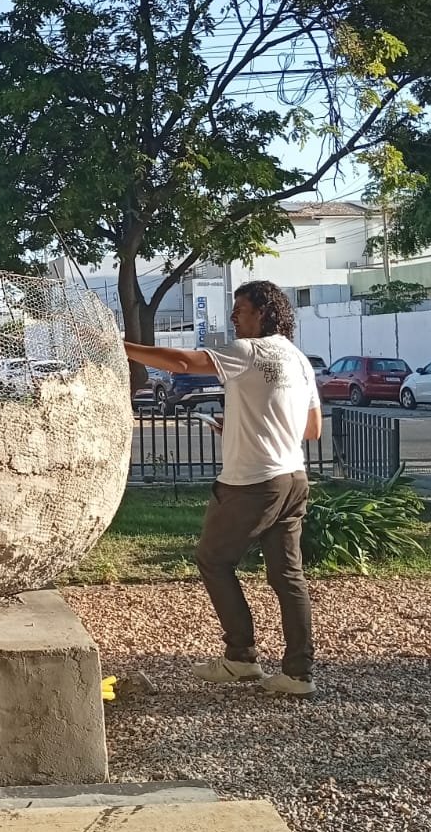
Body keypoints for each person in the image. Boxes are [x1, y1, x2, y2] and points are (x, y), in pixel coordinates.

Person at [124, 280, 322, 697]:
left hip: (252, 483)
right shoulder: (299, 359)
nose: (233, 316)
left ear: (263, 313)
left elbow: (182, 361)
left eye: (240, 309)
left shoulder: (249, 351)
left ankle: (241, 657)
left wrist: (124, 347)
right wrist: (238, 428)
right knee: (288, 577)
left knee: (213, 560)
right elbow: (311, 429)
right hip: (293, 479)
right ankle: (298, 675)